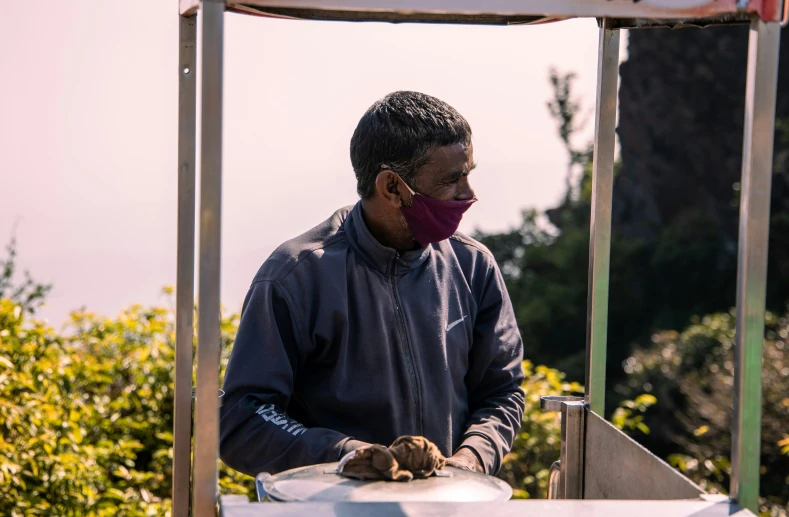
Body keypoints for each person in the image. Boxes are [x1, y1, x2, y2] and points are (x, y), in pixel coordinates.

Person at [220, 91, 525, 477]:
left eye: (469, 173)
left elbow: (502, 391)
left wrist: (472, 459)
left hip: (447, 506)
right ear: (392, 187)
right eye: (453, 179)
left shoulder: (473, 266)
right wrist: (344, 455)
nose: (469, 193)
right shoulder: (295, 277)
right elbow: (245, 418)